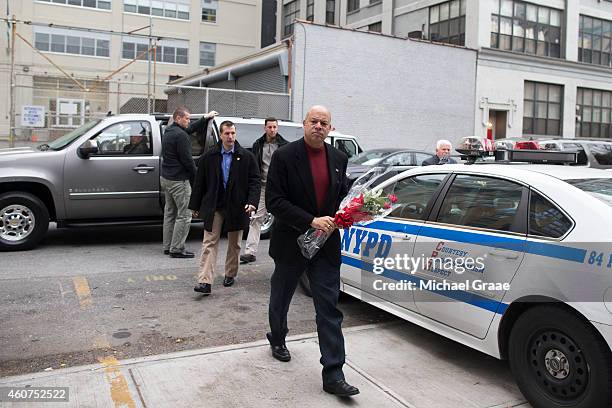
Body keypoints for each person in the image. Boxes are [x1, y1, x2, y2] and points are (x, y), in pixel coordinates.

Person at [265, 105, 360, 397]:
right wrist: (309, 220)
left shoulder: (339, 158)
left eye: (324, 123)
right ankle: (277, 337)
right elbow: (274, 202)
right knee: (282, 296)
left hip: (326, 245)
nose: (318, 126)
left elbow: (340, 196)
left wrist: (354, 211)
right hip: (291, 241)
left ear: (330, 128)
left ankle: (334, 373)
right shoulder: (284, 156)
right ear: (304, 124)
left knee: (329, 307)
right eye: (314, 121)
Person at [190, 120, 260, 296]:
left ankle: (230, 273)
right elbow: (200, 183)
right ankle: (205, 281)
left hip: (237, 206)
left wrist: (252, 202)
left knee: (234, 243)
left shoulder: (246, 156)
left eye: (233, 133)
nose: (230, 137)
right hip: (214, 205)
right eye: (227, 133)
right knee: (209, 242)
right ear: (220, 135)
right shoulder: (209, 156)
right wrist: (195, 206)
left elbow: (255, 182)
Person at [161, 107, 218, 258]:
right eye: (186, 118)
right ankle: (177, 249)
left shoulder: (169, 131)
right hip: (179, 181)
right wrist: (199, 179)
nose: (188, 121)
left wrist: (205, 118)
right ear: (178, 118)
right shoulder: (181, 137)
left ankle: (168, 246)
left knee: (170, 213)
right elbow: (188, 161)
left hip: (166, 179)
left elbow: (191, 128)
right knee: (185, 215)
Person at [239, 118, 289, 264]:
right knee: (256, 219)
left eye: (274, 127)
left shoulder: (284, 145)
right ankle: (250, 252)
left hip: (278, 188)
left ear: (277, 128)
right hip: (261, 186)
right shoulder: (258, 144)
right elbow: (253, 166)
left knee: (283, 219)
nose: (272, 129)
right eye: (270, 127)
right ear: (265, 128)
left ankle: (284, 250)